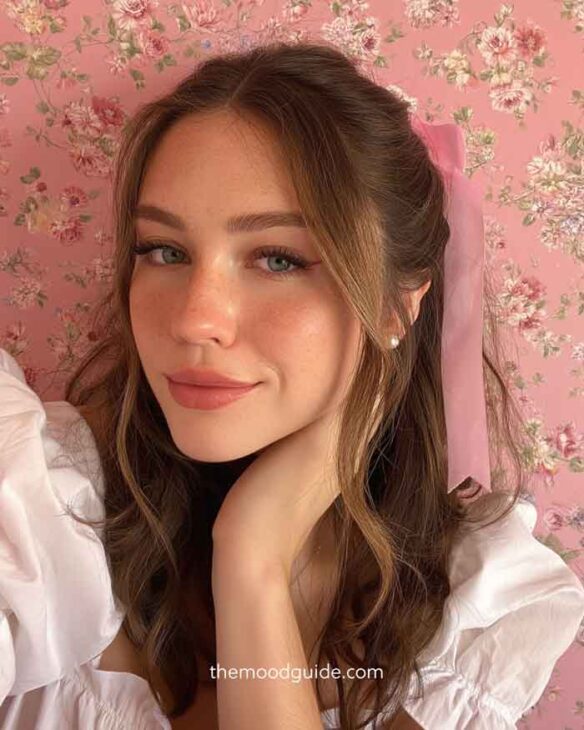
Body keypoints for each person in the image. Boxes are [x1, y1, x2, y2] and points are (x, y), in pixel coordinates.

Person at [1, 40, 583, 730]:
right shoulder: (31, 504)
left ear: (395, 307)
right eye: (164, 250)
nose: (194, 319)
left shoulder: (477, 605)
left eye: (278, 259)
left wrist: (254, 556)